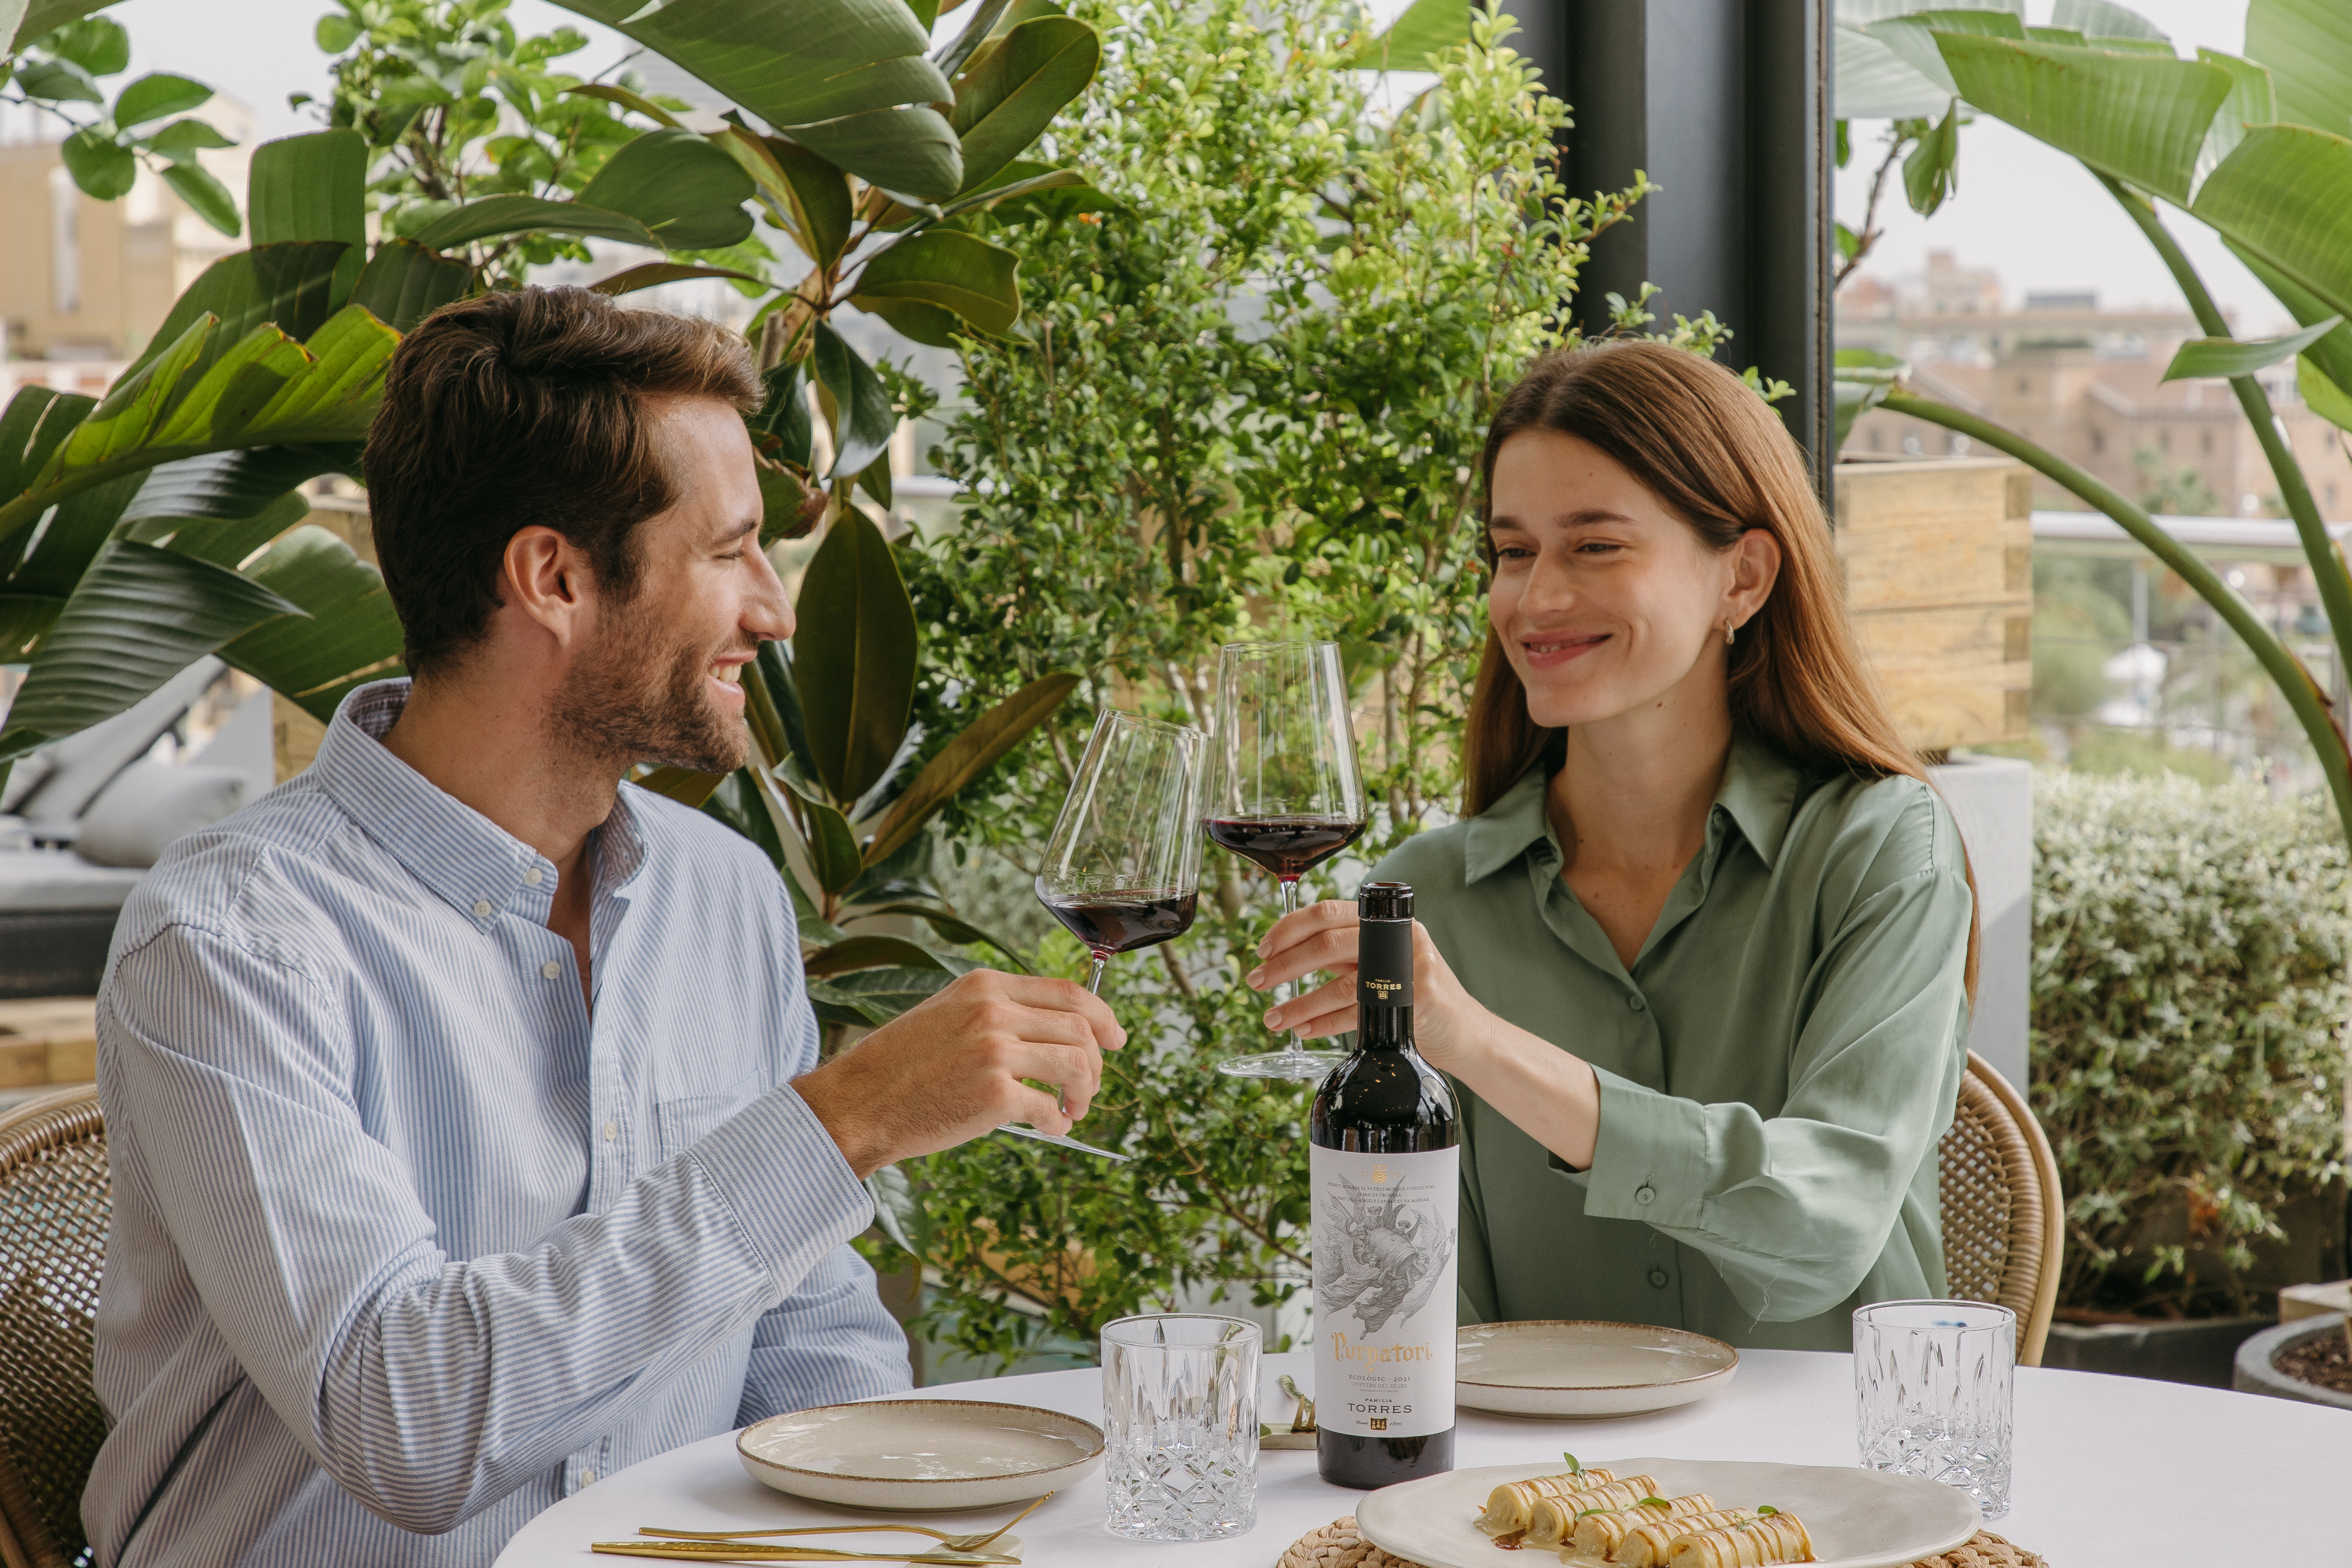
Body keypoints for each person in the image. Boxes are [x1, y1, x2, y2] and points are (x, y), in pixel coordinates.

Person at [85, 287, 1124, 1568]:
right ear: (554, 577)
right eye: (729, 550)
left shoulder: (723, 897)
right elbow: (405, 1420)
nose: (775, 609)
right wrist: (839, 1122)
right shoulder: (233, 942)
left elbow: (809, 1340)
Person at [1250, 340, 1978, 1351]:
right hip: (1536, 1501)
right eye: (1513, 552)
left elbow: (1828, 1228)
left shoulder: (1880, 848)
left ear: (1745, 577)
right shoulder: (1423, 898)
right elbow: (1407, 1320)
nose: (1536, 598)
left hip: (1821, 1488)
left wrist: (1480, 1047)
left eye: (1595, 546)